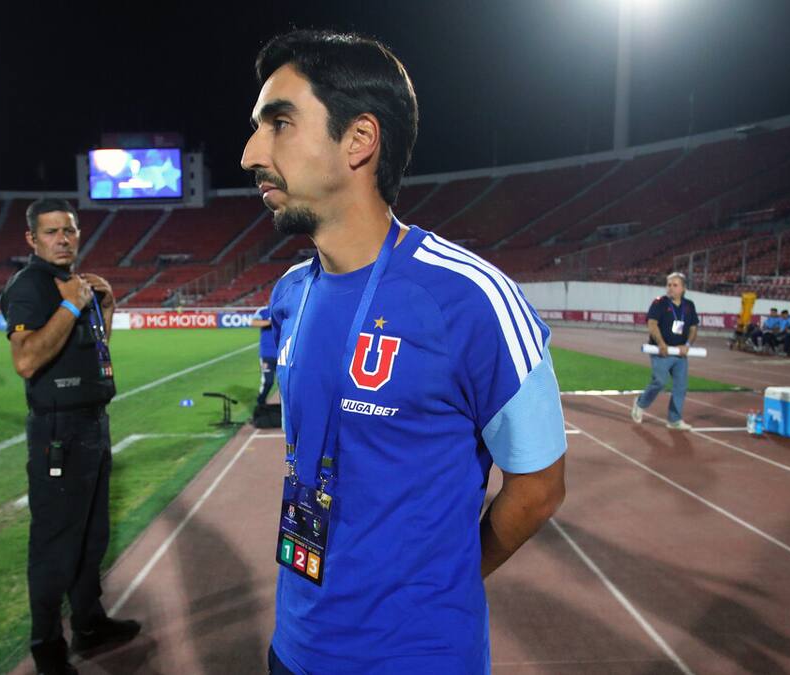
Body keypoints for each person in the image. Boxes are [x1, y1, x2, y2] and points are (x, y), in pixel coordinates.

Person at [242, 30, 566, 674]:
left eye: (279, 123)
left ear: (359, 140)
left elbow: (539, 488)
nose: (251, 152)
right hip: (294, 648)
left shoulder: (471, 298)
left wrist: (442, 578)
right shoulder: (289, 295)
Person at [0, 198, 138, 675]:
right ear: (32, 240)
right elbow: (27, 360)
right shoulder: (31, 287)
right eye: (52, 232)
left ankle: (90, 622)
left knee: (91, 537)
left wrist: (108, 307)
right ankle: (47, 649)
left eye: (70, 230)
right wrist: (69, 304)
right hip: (58, 433)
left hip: (92, 424)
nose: (63, 239)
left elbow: (92, 353)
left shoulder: (79, 285)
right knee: (56, 544)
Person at [631, 272, 698, 430]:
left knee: (681, 386)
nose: (671, 288)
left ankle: (674, 419)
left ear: (683, 288)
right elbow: (652, 324)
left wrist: (687, 344)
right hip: (660, 352)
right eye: (669, 285)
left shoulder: (689, 306)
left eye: (675, 285)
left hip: (680, 353)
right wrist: (661, 344)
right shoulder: (659, 303)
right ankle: (640, 403)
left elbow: (694, 328)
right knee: (660, 381)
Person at [250, 305, 278, 406]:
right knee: (268, 382)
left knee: (285, 384)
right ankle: (260, 406)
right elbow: (253, 323)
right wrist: (271, 322)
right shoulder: (263, 310)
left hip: (283, 354)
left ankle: (286, 413)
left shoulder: (285, 309)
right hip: (267, 354)